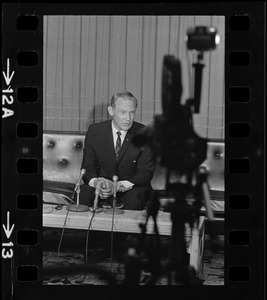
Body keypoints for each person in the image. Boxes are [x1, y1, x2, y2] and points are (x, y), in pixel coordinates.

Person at [78, 91, 155, 211]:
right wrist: (97, 183)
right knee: (82, 194)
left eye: (132, 112)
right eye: (123, 112)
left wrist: (118, 186)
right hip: (102, 187)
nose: (128, 119)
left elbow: (145, 174)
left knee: (136, 198)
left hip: (131, 188)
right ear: (111, 111)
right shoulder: (95, 131)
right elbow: (88, 168)